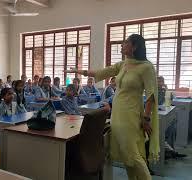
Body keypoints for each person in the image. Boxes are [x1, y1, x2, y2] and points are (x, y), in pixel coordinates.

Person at [65, 34, 159, 180]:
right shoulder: (122, 64)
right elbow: (100, 73)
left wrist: (146, 118)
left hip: (131, 115)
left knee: (133, 155)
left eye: (125, 42)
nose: (122, 45)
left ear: (134, 46)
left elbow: (151, 95)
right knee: (127, 157)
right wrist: (79, 71)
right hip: (117, 114)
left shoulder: (146, 67)